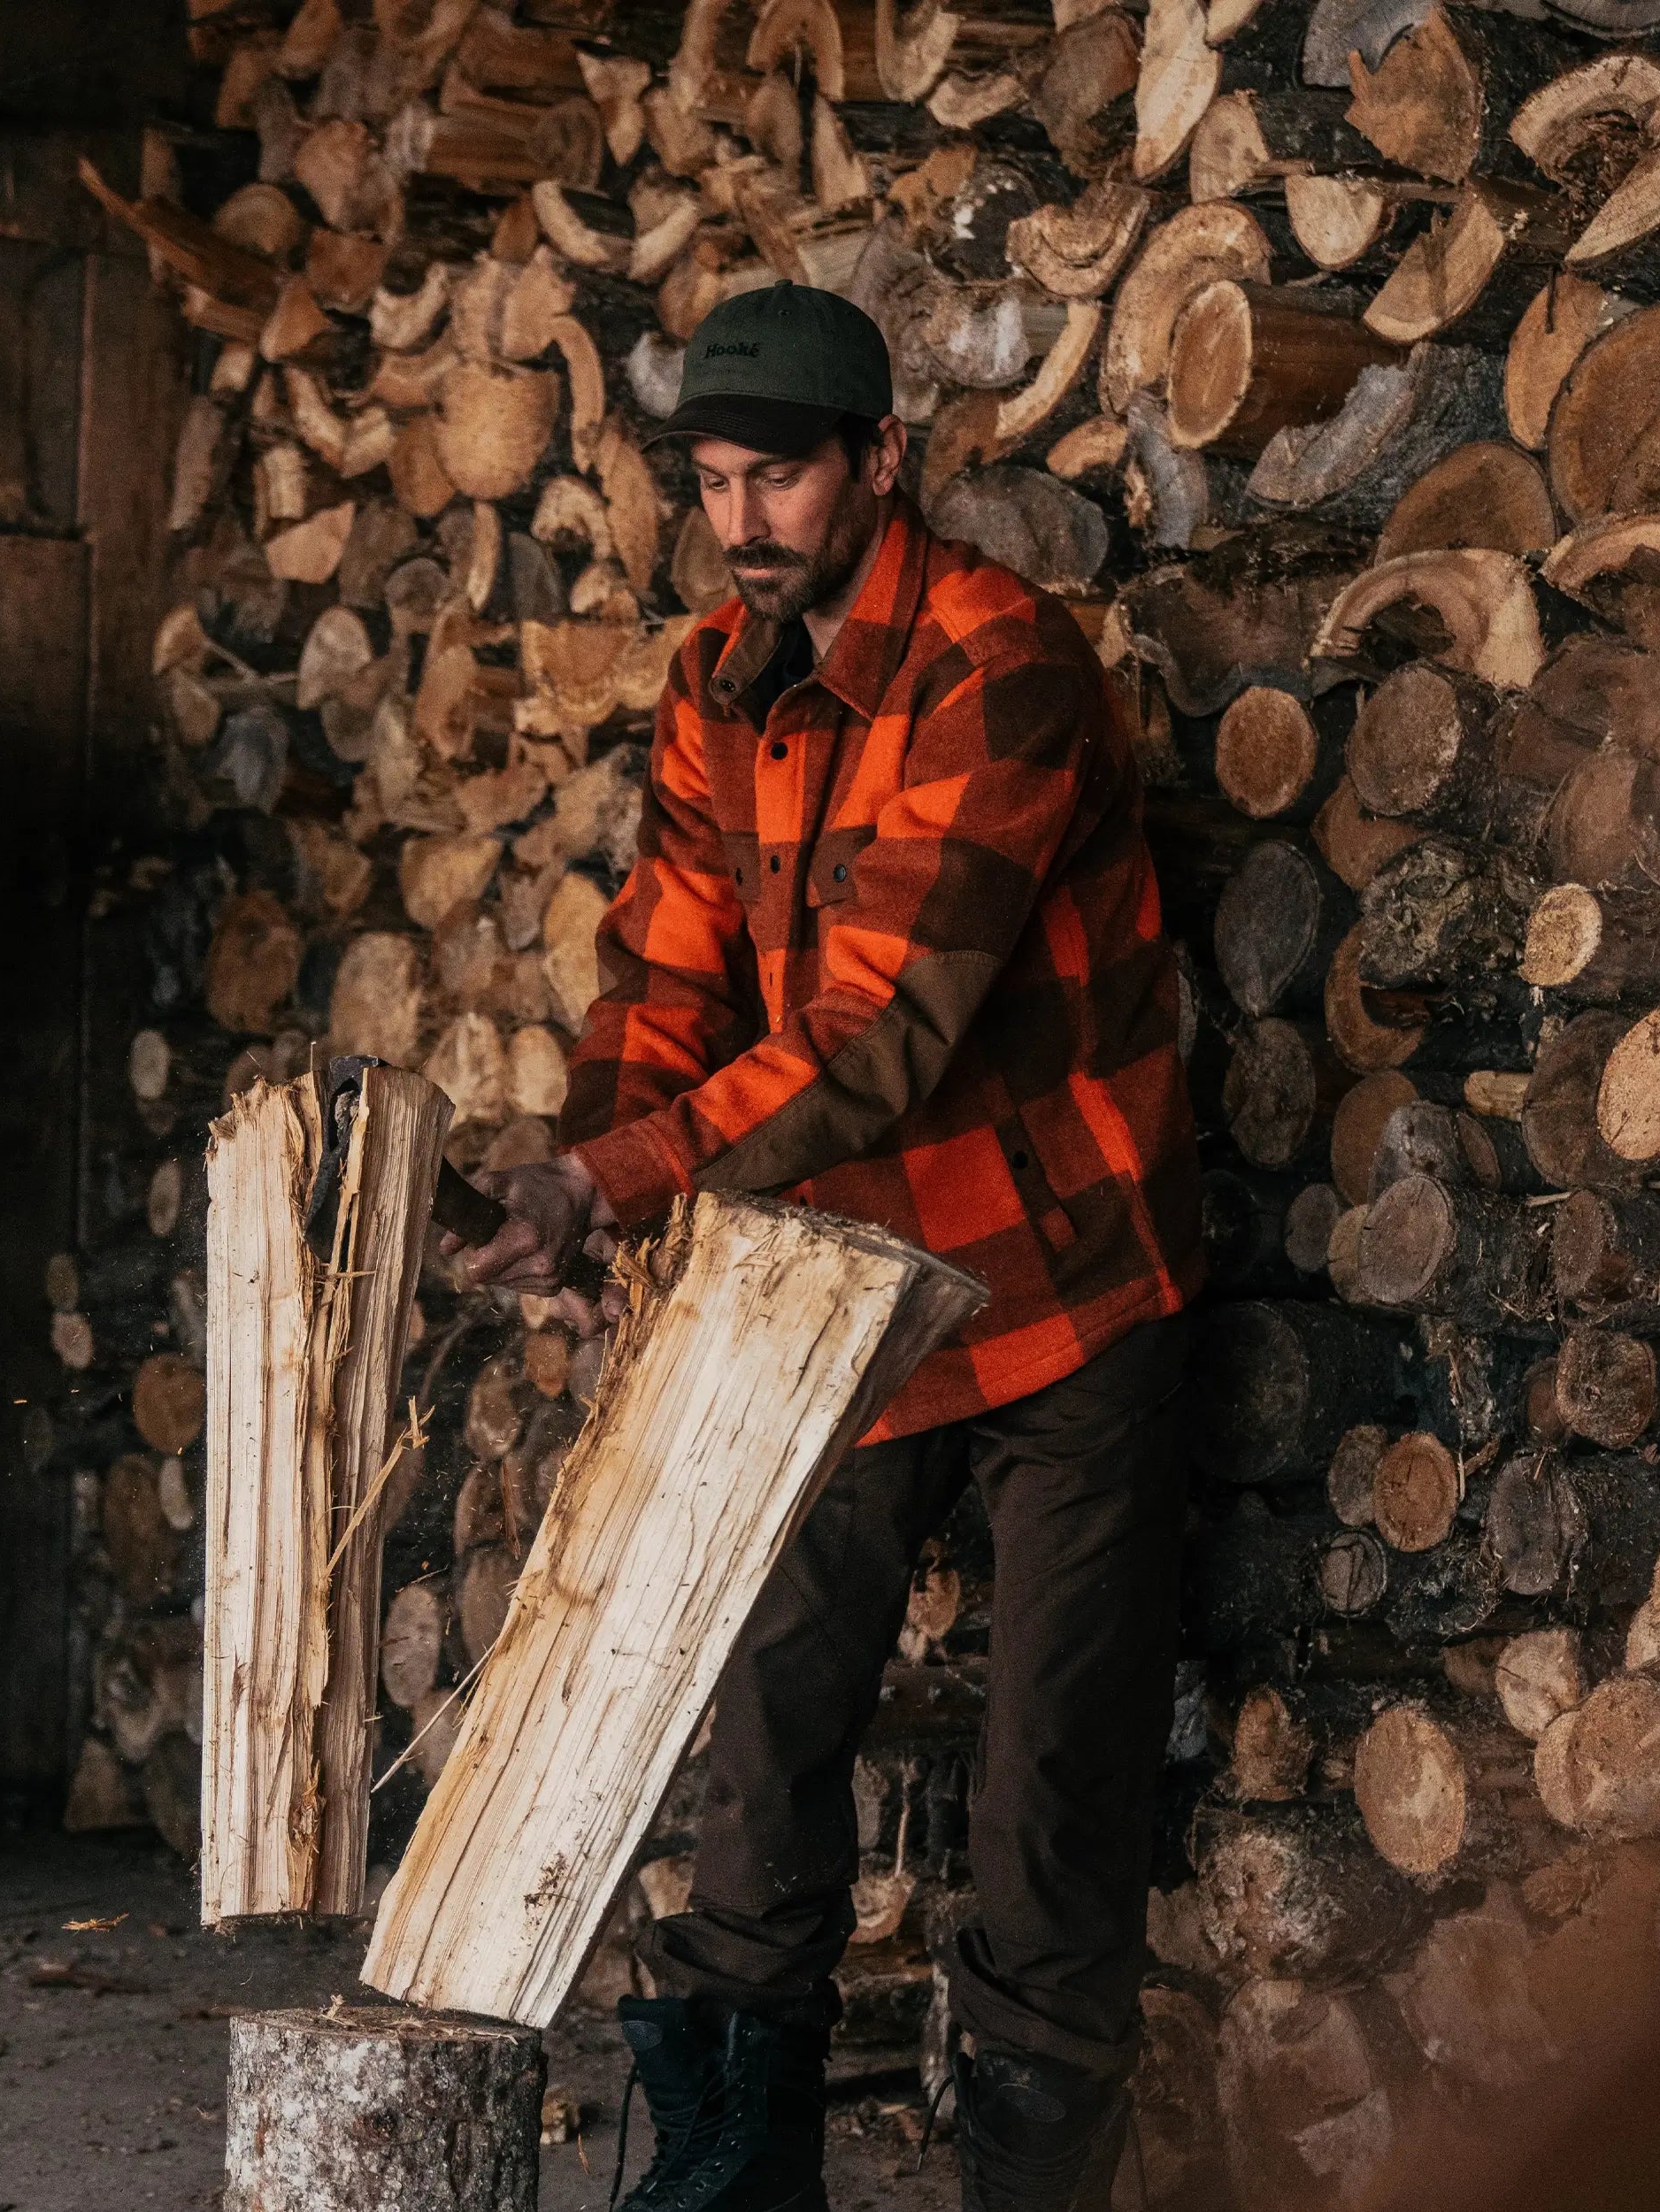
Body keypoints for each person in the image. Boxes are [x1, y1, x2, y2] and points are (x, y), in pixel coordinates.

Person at [445, 281, 1205, 2212]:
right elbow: (666, 963)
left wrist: (618, 1184)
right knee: (760, 1720)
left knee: (1048, 1797)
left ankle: (1028, 2189)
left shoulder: (996, 662)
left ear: (882, 459)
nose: (741, 520)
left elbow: (880, 1030)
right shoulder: (718, 670)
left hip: (1055, 1287)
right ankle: (728, 2173)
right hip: (838, 1299)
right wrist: (581, 1152)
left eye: (775, 476)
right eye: (709, 481)